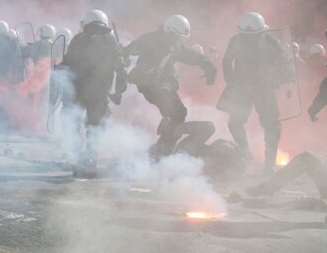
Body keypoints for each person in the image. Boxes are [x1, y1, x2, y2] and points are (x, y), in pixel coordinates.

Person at [123, 15, 217, 157]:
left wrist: (208, 66)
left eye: (179, 37)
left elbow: (193, 55)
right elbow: (130, 49)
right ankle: (162, 147)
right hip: (154, 86)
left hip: (160, 86)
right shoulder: (150, 40)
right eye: (175, 35)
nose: (177, 39)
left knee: (178, 114)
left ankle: (162, 148)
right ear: (168, 30)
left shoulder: (174, 46)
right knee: (175, 112)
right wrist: (122, 58)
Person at [57, 9, 127, 177]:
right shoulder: (111, 41)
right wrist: (118, 92)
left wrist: (58, 71)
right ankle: (90, 164)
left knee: (72, 125)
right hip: (100, 94)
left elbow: (67, 64)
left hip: (78, 92)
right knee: (94, 130)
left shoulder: (78, 39)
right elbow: (122, 71)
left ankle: (80, 158)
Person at [217, 12, 290, 173]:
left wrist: (232, 82)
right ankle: (256, 159)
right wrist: (232, 82)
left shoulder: (243, 40)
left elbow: (226, 62)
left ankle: (262, 161)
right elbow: (284, 63)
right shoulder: (268, 40)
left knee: (263, 124)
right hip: (251, 88)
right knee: (264, 124)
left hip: (258, 88)